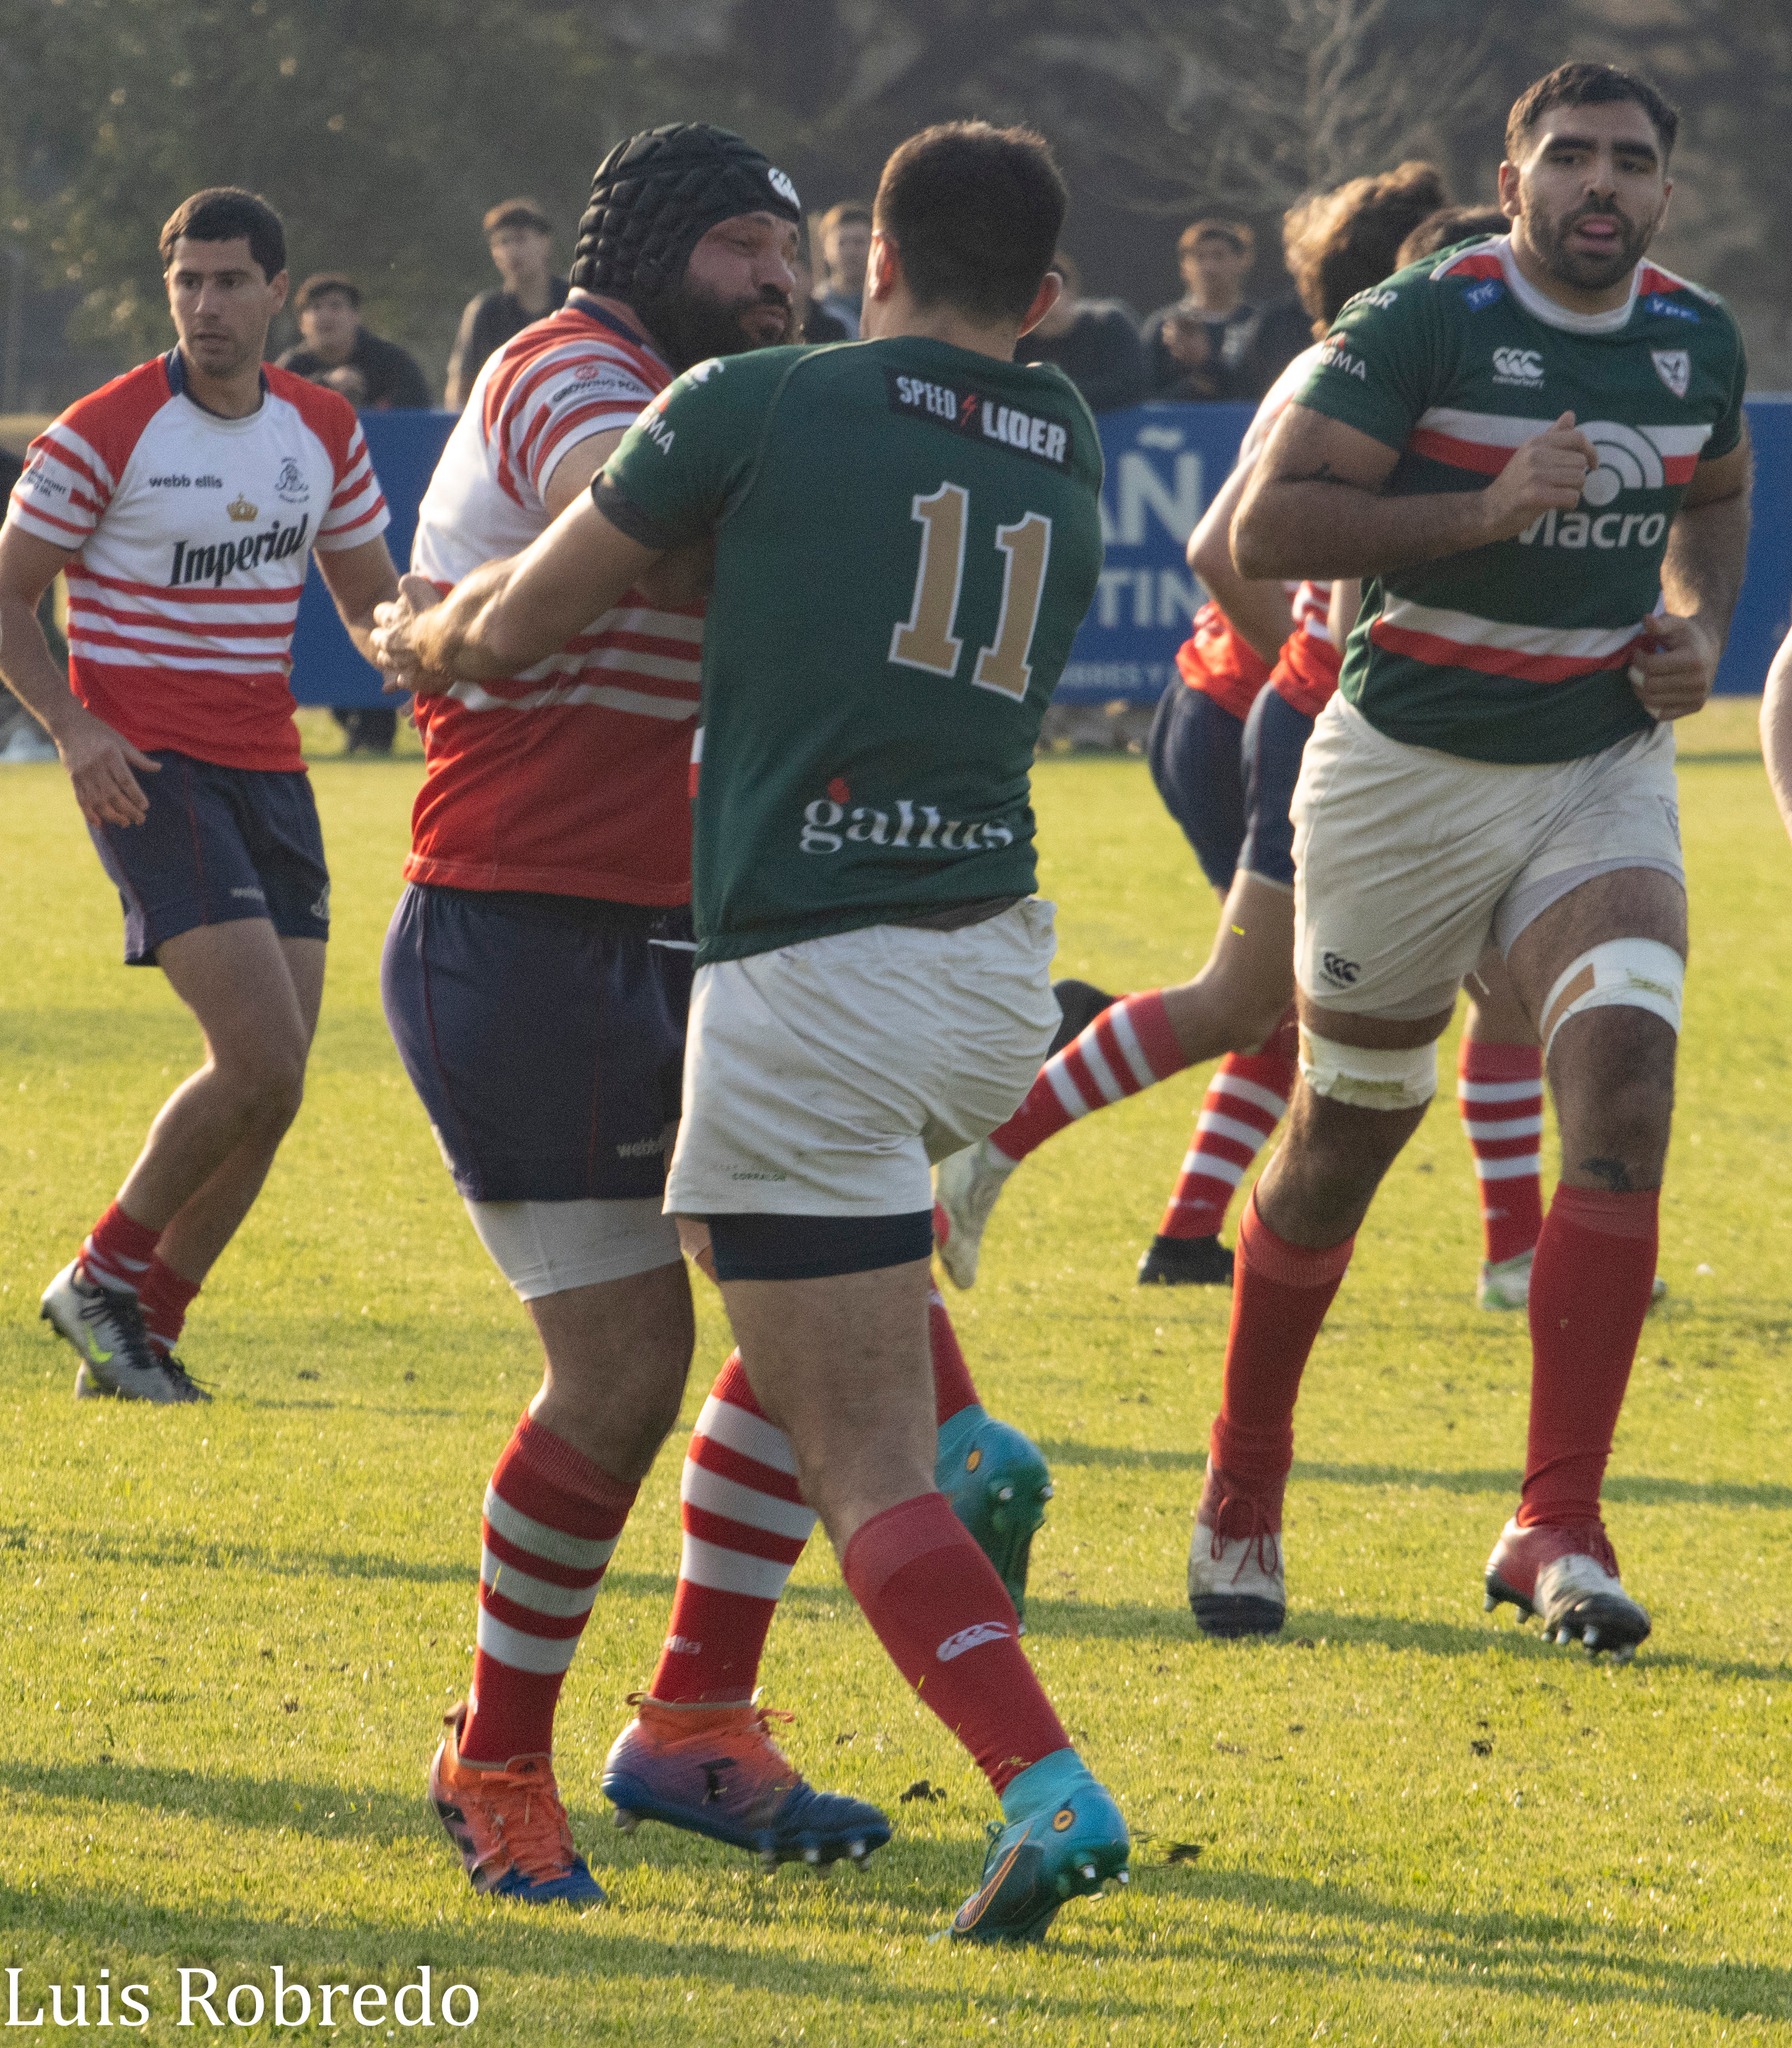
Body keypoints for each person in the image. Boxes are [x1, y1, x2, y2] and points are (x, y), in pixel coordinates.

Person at [374, 118, 1132, 1944]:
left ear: (871, 264)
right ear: (643, 251)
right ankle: (498, 1755)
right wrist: (432, 634)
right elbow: (649, 558)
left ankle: (698, 1715)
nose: (775, 283)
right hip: (535, 927)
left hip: (721, 943)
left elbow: (764, 565)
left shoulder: (779, 399)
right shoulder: (577, 368)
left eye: (796, 256)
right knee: (633, 1373)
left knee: (802, 1353)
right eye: (740, 251)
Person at [1211, 60, 1748, 1657]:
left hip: (1595, 766)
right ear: (1512, 174)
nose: (1601, 183)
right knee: (1344, 1138)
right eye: (1569, 155)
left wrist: (1699, 627)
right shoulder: (1419, 322)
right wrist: (1484, 508)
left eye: (1630, 162)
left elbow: (1714, 497)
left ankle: (1554, 1523)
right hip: (1400, 781)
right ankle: (1243, 1487)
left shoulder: (1694, 336)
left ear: (1664, 191)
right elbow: (1268, 531)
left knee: (1630, 1077)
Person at [934, 165, 1467, 1311]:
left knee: (1279, 1002)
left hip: (1254, 710)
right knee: (1253, 999)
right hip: (1249, 711)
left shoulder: (1387, 370)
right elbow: (1222, 550)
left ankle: (1182, 1232)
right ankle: (1019, 1106)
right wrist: (1325, 680)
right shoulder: (1346, 374)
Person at [0, 187, 397, 1403]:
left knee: (274, 1090)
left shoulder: (321, 426)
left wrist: (440, 660)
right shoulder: (103, 428)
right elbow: (7, 593)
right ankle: (97, 1277)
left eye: (231, 281)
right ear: (167, 290)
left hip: (273, 770)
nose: (208, 304)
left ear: (279, 290)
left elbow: (372, 597)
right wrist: (72, 728)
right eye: (189, 283)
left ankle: (142, 1328)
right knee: (262, 1057)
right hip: (150, 773)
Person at [1144, 219, 1308, 403]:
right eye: (1199, 257)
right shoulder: (1166, 326)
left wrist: (1206, 363)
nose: (1209, 268)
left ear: (1242, 260)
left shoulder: (1263, 323)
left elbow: (1270, 388)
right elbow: (1145, 394)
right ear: (1184, 267)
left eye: (1218, 256)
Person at [443, 200, 570, 410]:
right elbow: (461, 388)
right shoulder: (484, 311)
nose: (511, 250)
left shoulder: (572, 301)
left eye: (520, 239)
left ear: (545, 242)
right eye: (502, 242)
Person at [277, 273, 431, 411]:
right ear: (301, 324)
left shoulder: (391, 362)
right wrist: (324, 386)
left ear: (355, 316)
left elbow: (419, 416)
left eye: (335, 306)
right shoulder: (290, 368)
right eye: (316, 307)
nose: (325, 316)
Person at [1023, 251, 1147, 412]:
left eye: (1045, 296)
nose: (1038, 308)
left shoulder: (1107, 325)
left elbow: (1130, 385)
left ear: (1069, 292)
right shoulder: (1018, 336)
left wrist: (1054, 390)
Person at [813, 200, 870, 337]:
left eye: (859, 242)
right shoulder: (817, 306)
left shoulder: (888, 300)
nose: (851, 251)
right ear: (825, 250)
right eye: (842, 243)